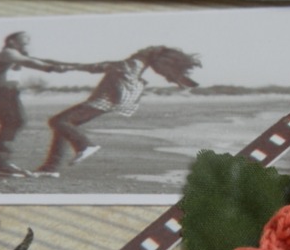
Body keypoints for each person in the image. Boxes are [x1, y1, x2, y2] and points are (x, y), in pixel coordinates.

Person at [34, 46, 201, 177]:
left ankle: (84, 145)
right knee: (64, 127)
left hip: (100, 103)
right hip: (105, 103)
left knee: (58, 121)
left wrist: (66, 67)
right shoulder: (134, 65)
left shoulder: (131, 64)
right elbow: (100, 67)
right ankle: (50, 168)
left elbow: (102, 68)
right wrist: (177, 79)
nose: (138, 51)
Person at [0, 31, 69, 177]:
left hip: (7, 94)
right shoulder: (8, 53)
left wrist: (81, 67)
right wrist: (51, 68)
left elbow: (43, 60)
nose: (28, 42)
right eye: (24, 39)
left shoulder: (16, 55)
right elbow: (30, 62)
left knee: (13, 123)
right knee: (15, 122)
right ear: (12, 41)